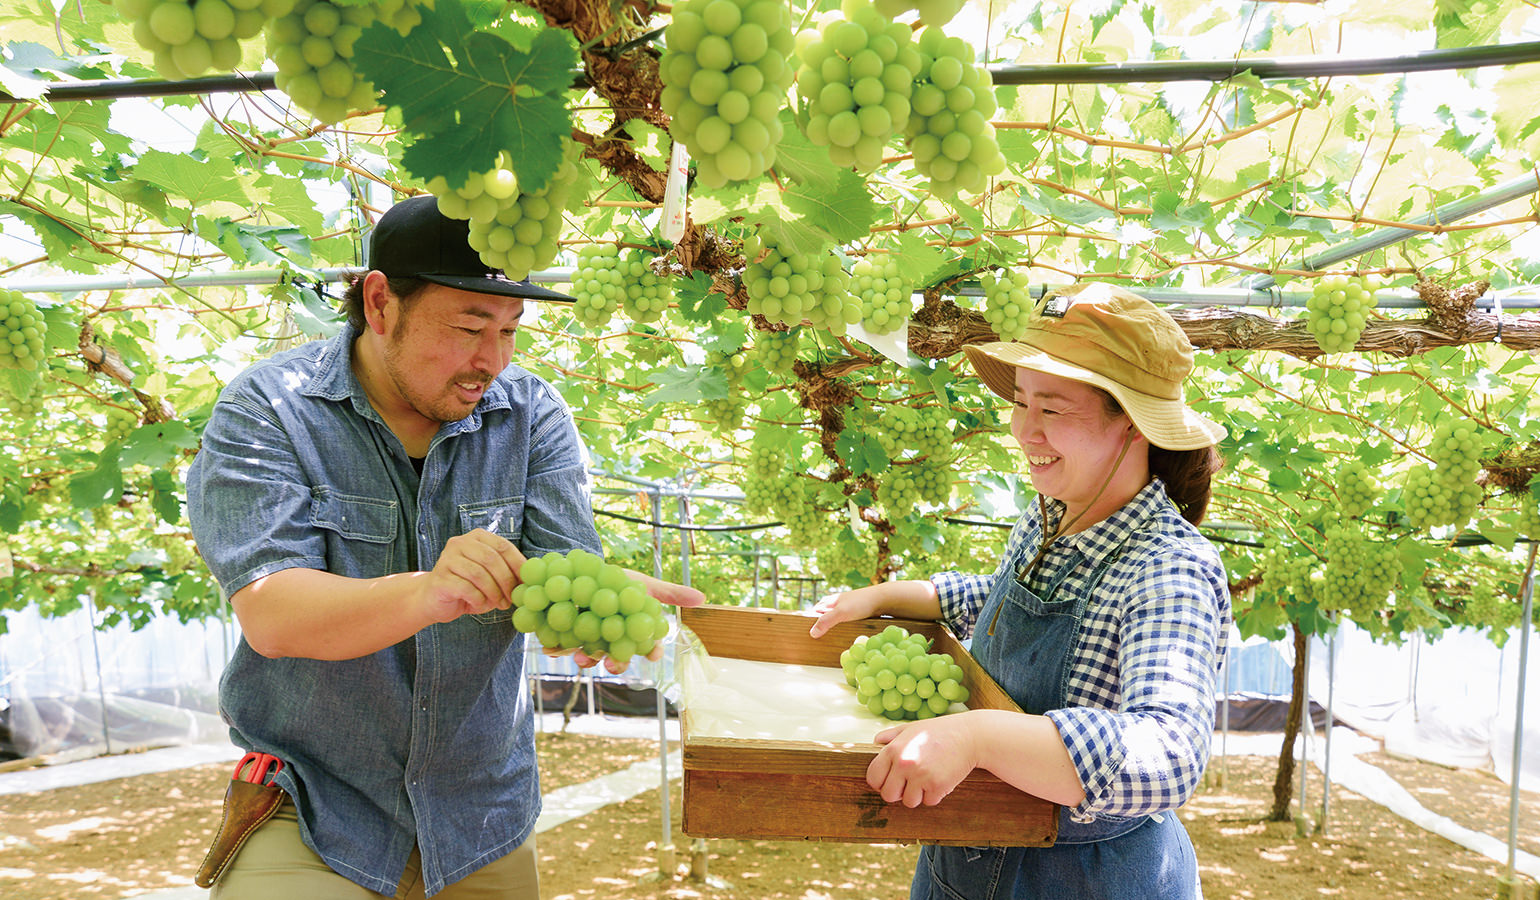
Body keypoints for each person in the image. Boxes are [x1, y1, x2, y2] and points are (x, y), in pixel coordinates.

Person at [186, 194, 704, 899]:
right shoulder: (269, 409)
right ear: (379, 303)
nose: (490, 360)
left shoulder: (534, 414)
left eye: (511, 332)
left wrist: (595, 606)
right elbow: (273, 616)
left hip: (480, 812)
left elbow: (560, 574)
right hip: (312, 803)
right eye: (468, 327)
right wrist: (431, 591)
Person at [810, 282, 1230, 899]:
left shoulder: (1168, 567)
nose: (1025, 432)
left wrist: (976, 737)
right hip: (965, 857)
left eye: (1054, 410)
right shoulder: (1048, 518)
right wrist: (888, 597)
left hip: (1084, 881)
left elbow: (1169, 752)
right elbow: (1006, 601)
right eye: (1021, 403)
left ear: (1134, 427)